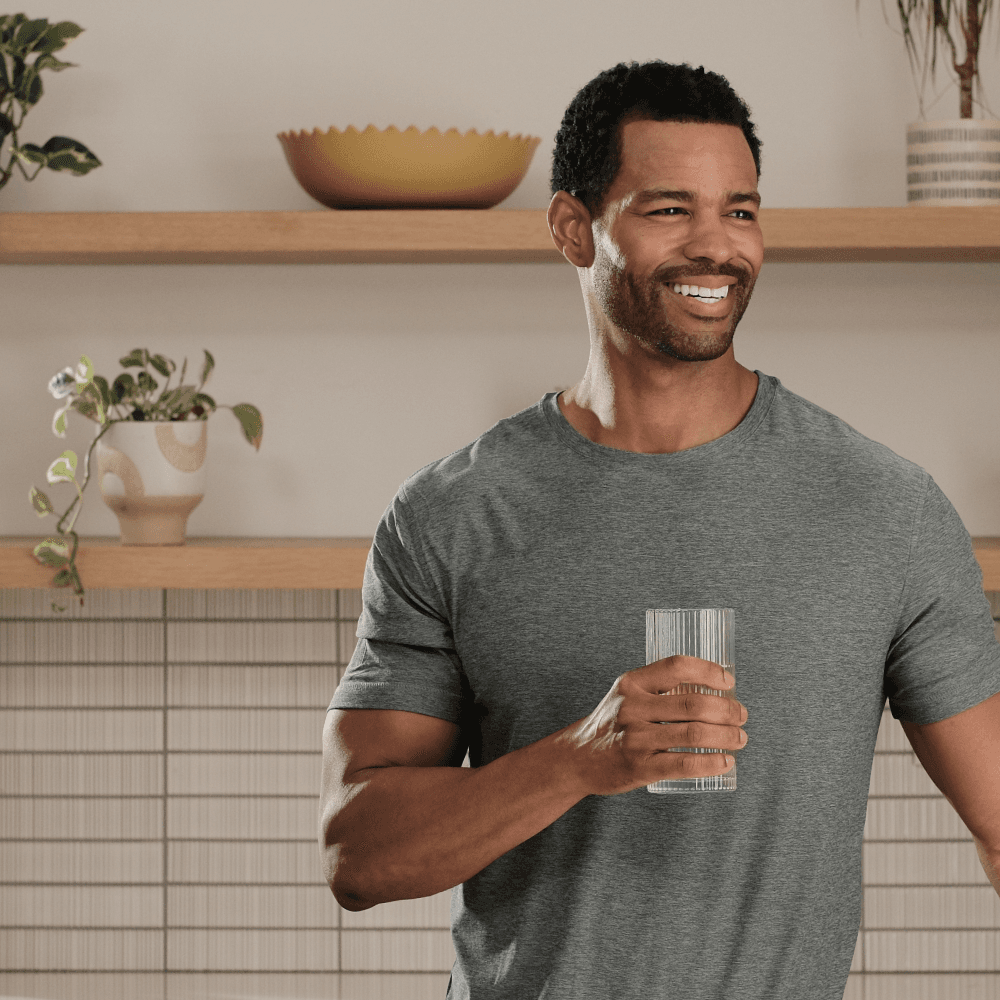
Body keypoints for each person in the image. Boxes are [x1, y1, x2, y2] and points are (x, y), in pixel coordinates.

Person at [320, 60, 1000, 999]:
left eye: (742, 210)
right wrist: (577, 762)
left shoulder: (883, 507)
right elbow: (358, 852)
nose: (717, 247)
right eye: (669, 210)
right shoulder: (452, 516)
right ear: (572, 229)